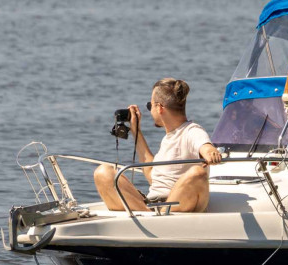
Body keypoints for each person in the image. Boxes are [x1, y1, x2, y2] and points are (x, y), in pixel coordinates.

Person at [94, 78, 221, 213]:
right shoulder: (168, 138)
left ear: (159, 108)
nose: (150, 110)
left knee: (198, 173)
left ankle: (153, 217)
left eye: (150, 106)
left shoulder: (192, 131)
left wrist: (210, 152)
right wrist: (135, 130)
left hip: (175, 204)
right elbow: (151, 175)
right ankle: (147, 215)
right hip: (150, 204)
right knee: (103, 173)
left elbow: (205, 145)